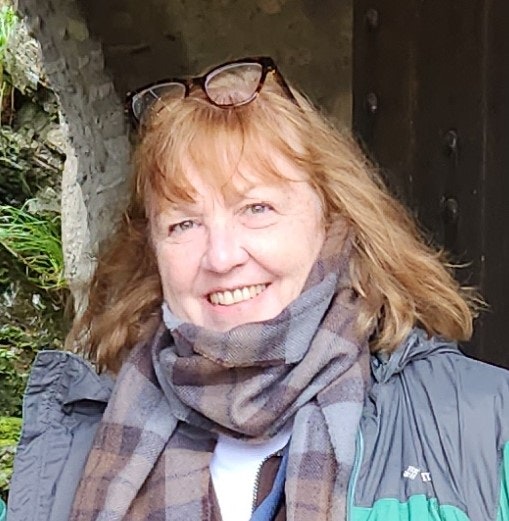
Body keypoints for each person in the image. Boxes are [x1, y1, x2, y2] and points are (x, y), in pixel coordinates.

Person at [7, 56, 509, 521]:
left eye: (257, 209)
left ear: (334, 220)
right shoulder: (70, 452)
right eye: (183, 224)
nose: (222, 257)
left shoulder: (484, 424)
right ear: (153, 251)